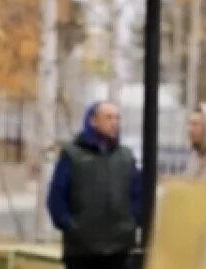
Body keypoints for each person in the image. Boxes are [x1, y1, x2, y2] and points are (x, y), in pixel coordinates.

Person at [46, 101, 142, 269]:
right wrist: (70, 226)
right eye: (108, 117)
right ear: (93, 121)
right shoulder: (72, 155)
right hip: (82, 251)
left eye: (117, 118)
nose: (114, 123)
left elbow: (137, 194)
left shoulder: (126, 157)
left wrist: (132, 223)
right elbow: (57, 196)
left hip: (120, 248)